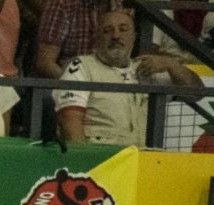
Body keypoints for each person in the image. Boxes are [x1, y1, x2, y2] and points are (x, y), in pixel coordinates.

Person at [55, 7, 200, 150]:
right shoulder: (82, 66)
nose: (116, 36)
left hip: (143, 159)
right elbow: (70, 120)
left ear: (134, 37)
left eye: (123, 29)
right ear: (96, 39)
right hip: (101, 159)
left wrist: (173, 65)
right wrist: (83, 160)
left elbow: (197, 93)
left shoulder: (146, 68)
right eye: (107, 31)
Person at [29, 0, 108, 79]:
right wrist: (76, 82)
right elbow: (45, 63)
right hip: (68, 83)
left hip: (112, 82)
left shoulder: (118, 6)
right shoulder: (62, 4)